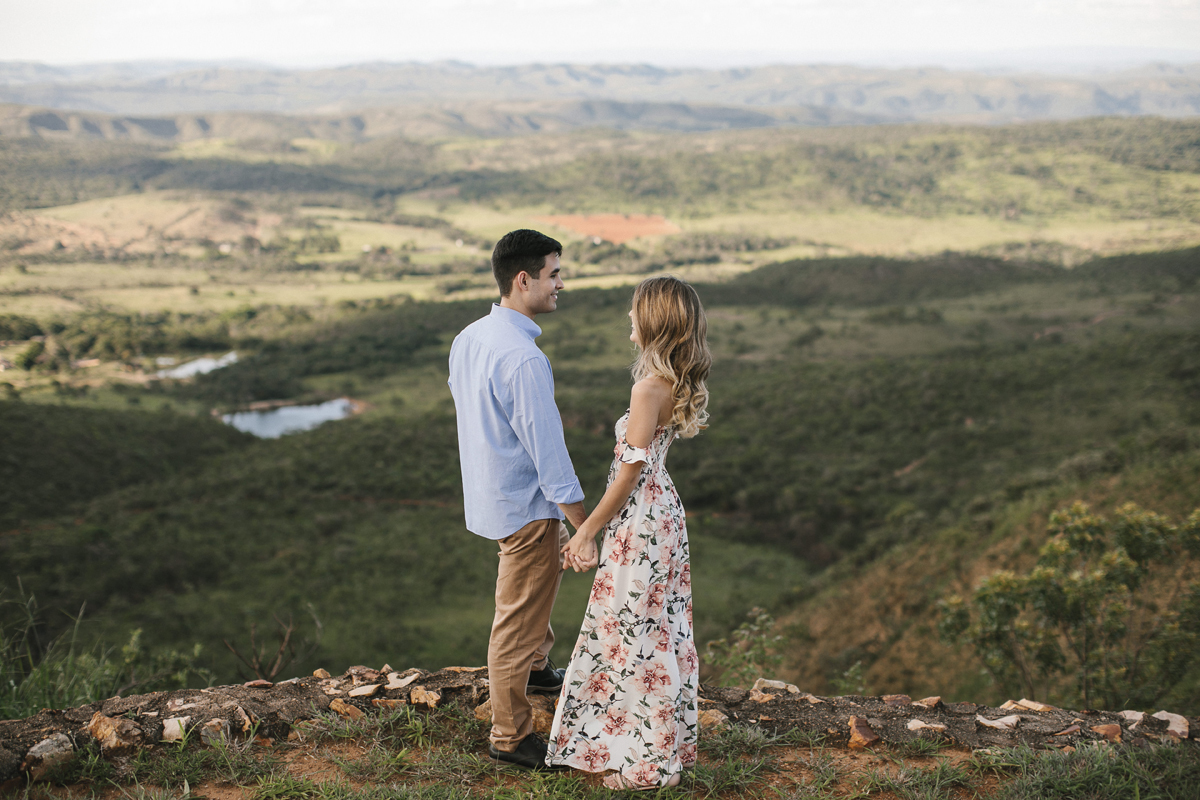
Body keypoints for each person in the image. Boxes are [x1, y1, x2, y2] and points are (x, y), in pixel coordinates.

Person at [546, 276, 712, 790]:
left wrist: (585, 532)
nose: (629, 321)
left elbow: (628, 476)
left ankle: (649, 766)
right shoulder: (671, 383)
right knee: (658, 626)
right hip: (664, 515)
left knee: (636, 633)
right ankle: (657, 747)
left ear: (653, 323)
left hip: (641, 519)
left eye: (635, 313)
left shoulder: (647, 389)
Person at [447, 229, 587, 770]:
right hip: (526, 505)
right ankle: (509, 736)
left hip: (494, 496)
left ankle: (536, 667)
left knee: (536, 586)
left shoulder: (470, 337)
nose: (560, 284)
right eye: (554, 274)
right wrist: (584, 525)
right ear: (523, 279)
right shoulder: (524, 359)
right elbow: (549, 454)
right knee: (515, 617)